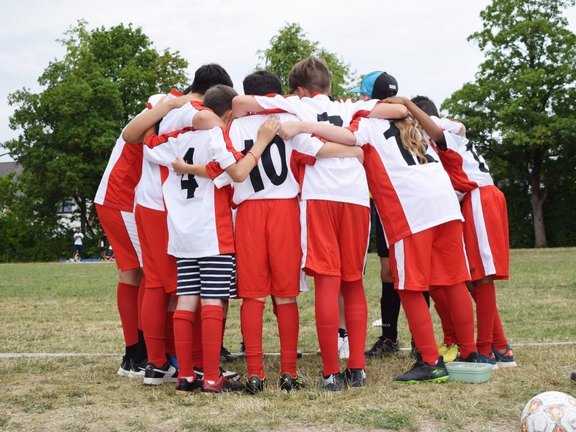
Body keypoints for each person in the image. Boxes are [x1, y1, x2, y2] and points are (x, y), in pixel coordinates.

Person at [233, 57, 408, 391]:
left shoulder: (293, 105)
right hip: (356, 198)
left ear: (299, 88)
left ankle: (330, 372)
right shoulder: (350, 106)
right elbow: (398, 111)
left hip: (318, 197)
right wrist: (353, 150)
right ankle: (357, 368)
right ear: (329, 84)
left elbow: (241, 102)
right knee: (353, 281)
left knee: (328, 283)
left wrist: (310, 130)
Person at [141, 84, 278, 393]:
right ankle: (212, 376)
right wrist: (261, 143)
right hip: (212, 232)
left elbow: (148, 143)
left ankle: (187, 375)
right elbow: (239, 172)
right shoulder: (218, 136)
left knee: (186, 299)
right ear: (228, 114)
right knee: (212, 300)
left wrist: (160, 110)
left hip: (182, 232)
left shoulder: (175, 139)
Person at [121, 64, 237, 386]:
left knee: (160, 284)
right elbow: (209, 122)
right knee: (192, 289)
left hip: (148, 202)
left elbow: (132, 135)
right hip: (171, 207)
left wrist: (163, 112)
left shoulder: (164, 101)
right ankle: (193, 364)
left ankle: (161, 361)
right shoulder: (197, 113)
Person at [411, 95, 516, 368]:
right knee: (472, 279)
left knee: (481, 277)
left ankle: (487, 350)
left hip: (479, 196)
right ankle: (500, 345)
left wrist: (412, 112)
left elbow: (453, 127)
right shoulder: (438, 134)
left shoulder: (437, 127)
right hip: (471, 200)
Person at [94, 94, 166, 378]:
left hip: (119, 198)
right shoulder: (164, 105)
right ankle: (138, 354)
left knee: (134, 273)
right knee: (146, 272)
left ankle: (135, 353)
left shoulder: (167, 106)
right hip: (122, 198)